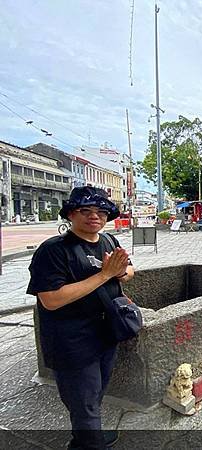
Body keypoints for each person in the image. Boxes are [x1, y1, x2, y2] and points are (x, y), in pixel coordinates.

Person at [26, 186, 134, 450]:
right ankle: (90, 442)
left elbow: (129, 269)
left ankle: (85, 438)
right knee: (83, 402)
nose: (94, 216)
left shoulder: (109, 241)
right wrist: (105, 275)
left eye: (101, 211)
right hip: (72, 341)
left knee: (94, 396)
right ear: (71, 214)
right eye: (85, 211)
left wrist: (120, 273)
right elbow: (51, 299)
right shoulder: (54, 250)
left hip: (107, 333)